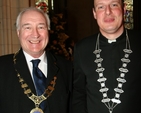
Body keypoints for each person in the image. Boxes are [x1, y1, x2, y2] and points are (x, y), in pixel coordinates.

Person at [72, 0, 141, 113]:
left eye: (114, 5)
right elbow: (79, 93)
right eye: (101, 7)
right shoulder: (82, 48)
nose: (108, 12)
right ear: (94, 13)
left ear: (123, 9)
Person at [0, 7, 72, 113]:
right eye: (28, 27)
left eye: (41, 27)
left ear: (48, 31)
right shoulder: (2, 67)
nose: (35, 34)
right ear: (18, 32)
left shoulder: (67, 68)